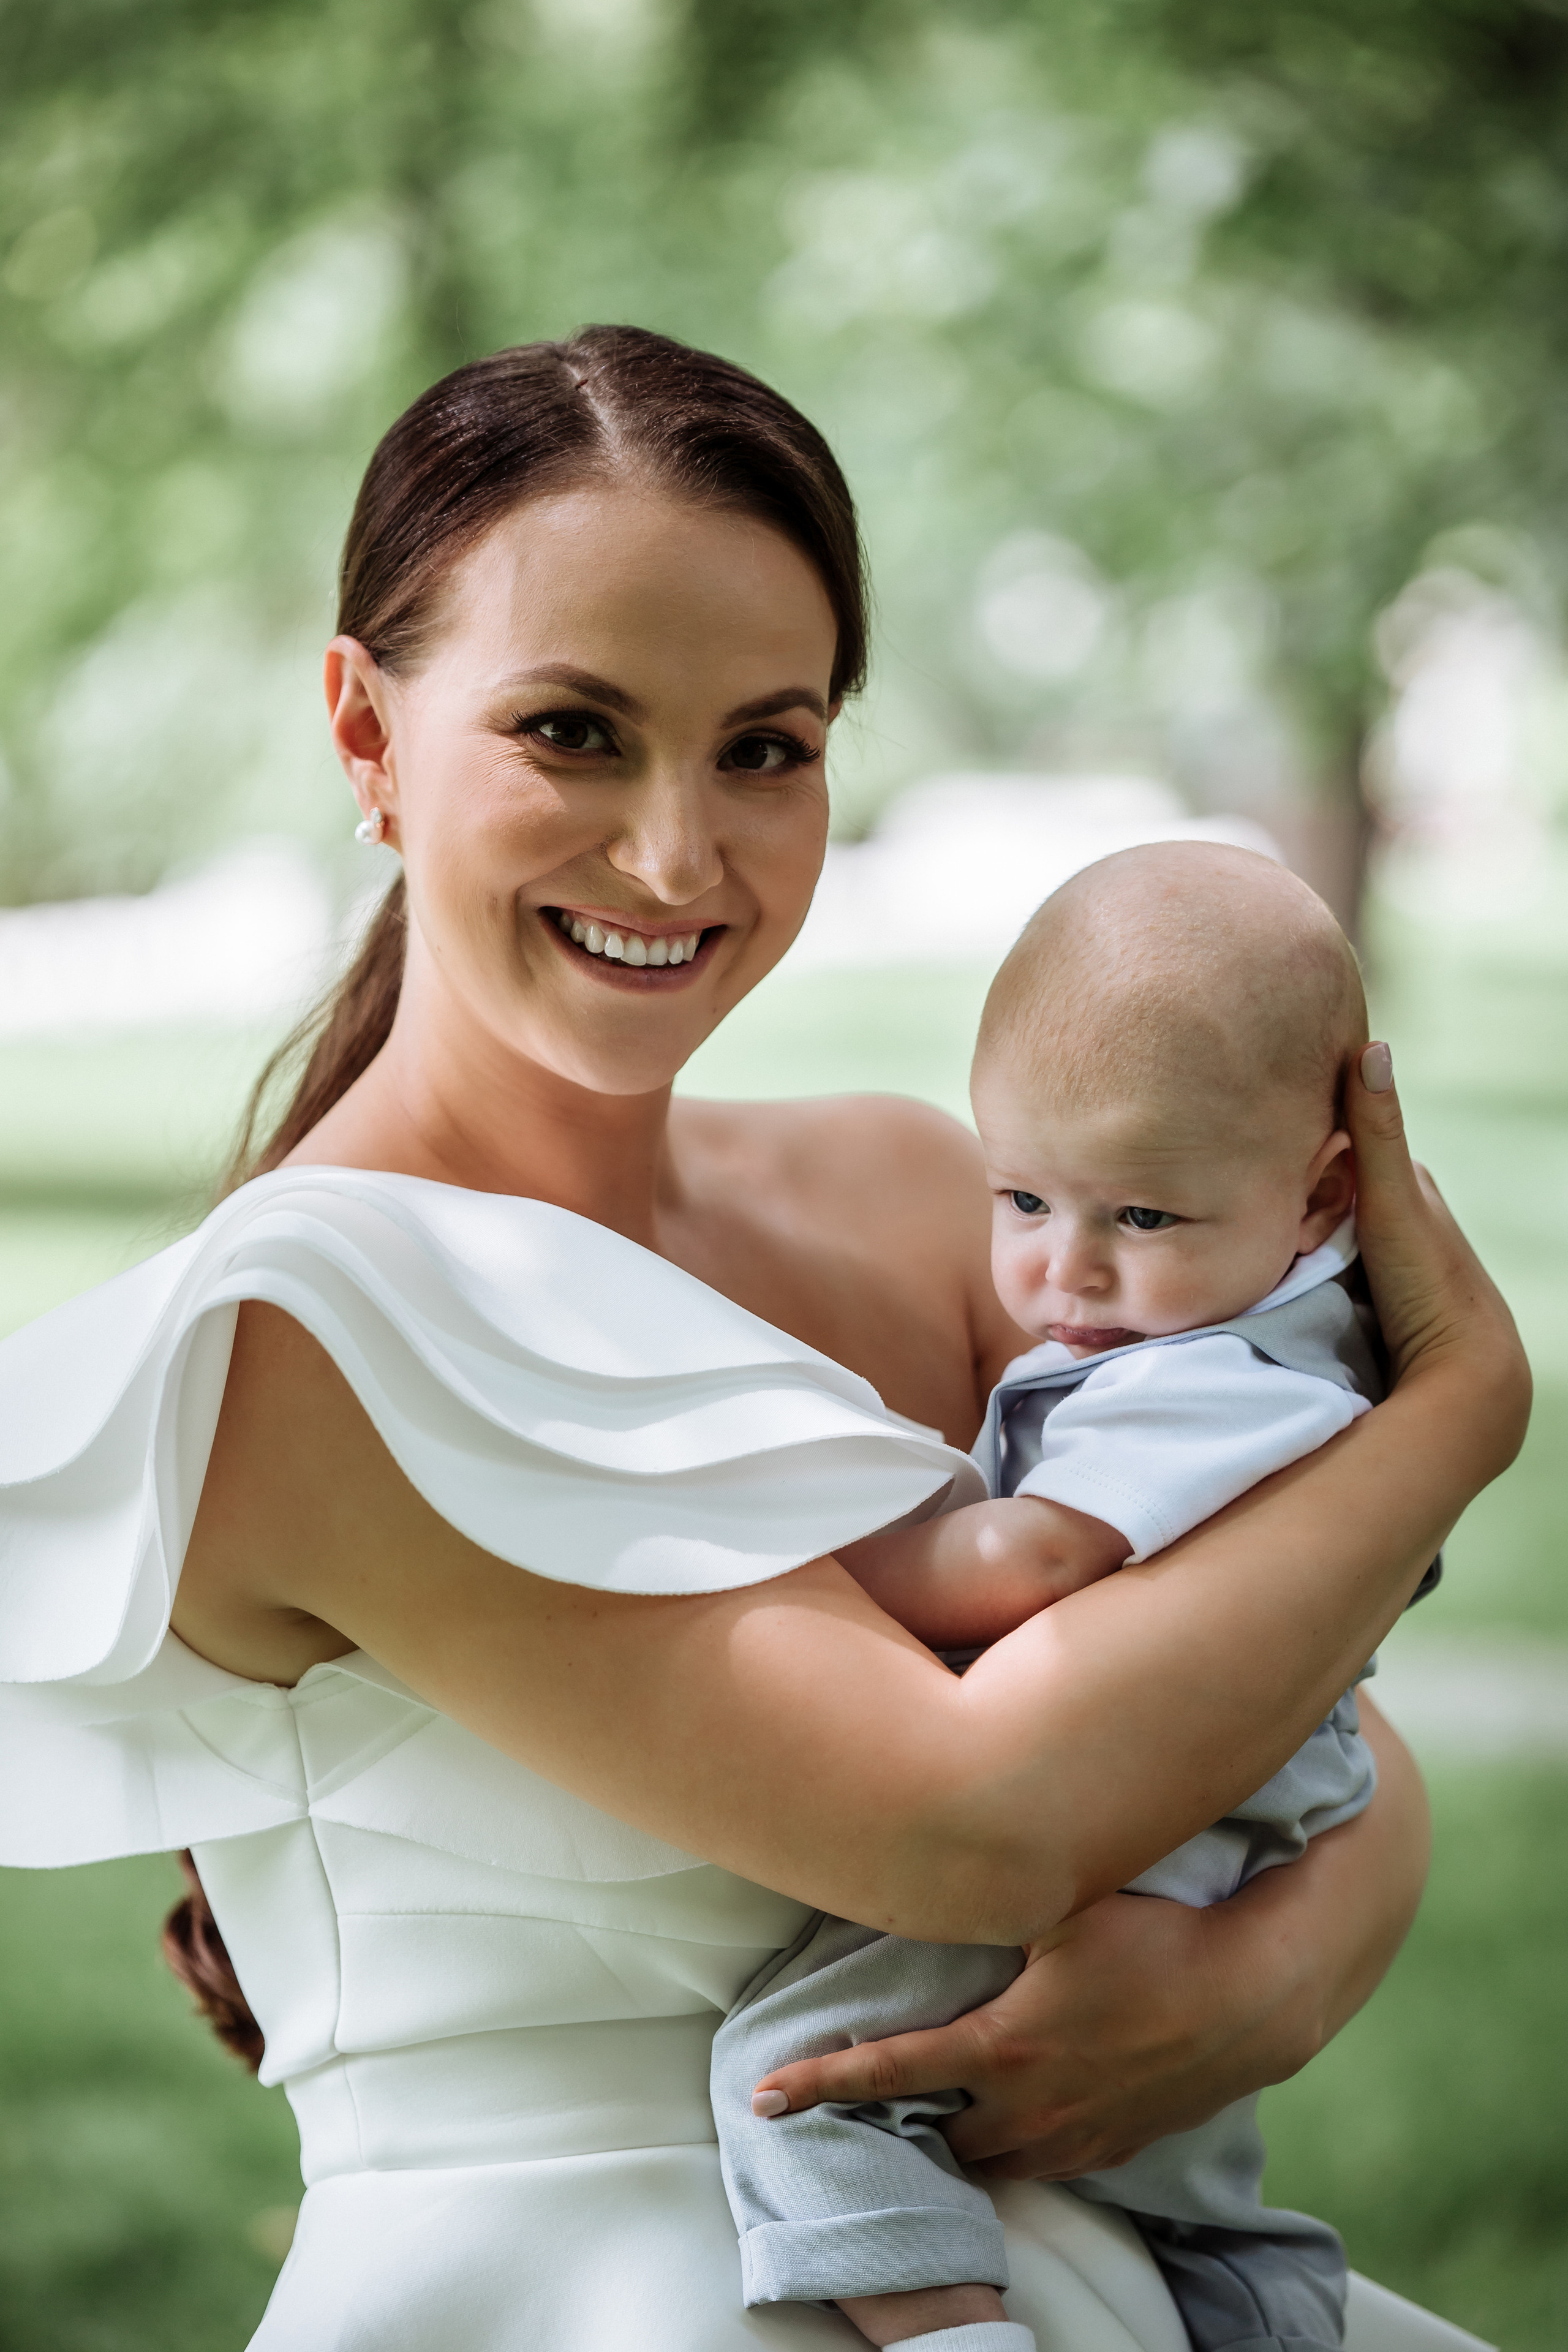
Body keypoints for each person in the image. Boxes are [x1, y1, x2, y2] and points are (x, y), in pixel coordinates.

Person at [0, 328, 1525, 2352]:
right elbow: (975, 1823)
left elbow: (1308, 1722)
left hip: (1073, 2278)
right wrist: (1460, 1413)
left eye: (765, 747)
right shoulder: (308, 1336)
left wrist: (1268, 1982)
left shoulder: (917, 1197)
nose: (675, 854)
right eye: (572, 730)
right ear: (367, 735)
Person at [712, 843, 1428, 2352]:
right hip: (1188, 1804)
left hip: (1156, 1819)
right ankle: (1252, 2305)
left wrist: (796, 1532)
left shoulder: (1219, 1376)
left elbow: (1019, 1564)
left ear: (1319, 1194)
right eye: (1022, 1197)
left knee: (800, 2079)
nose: (1063, 1273)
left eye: (1140, 1219)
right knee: (1176, 2193)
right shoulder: (1232, 1322)